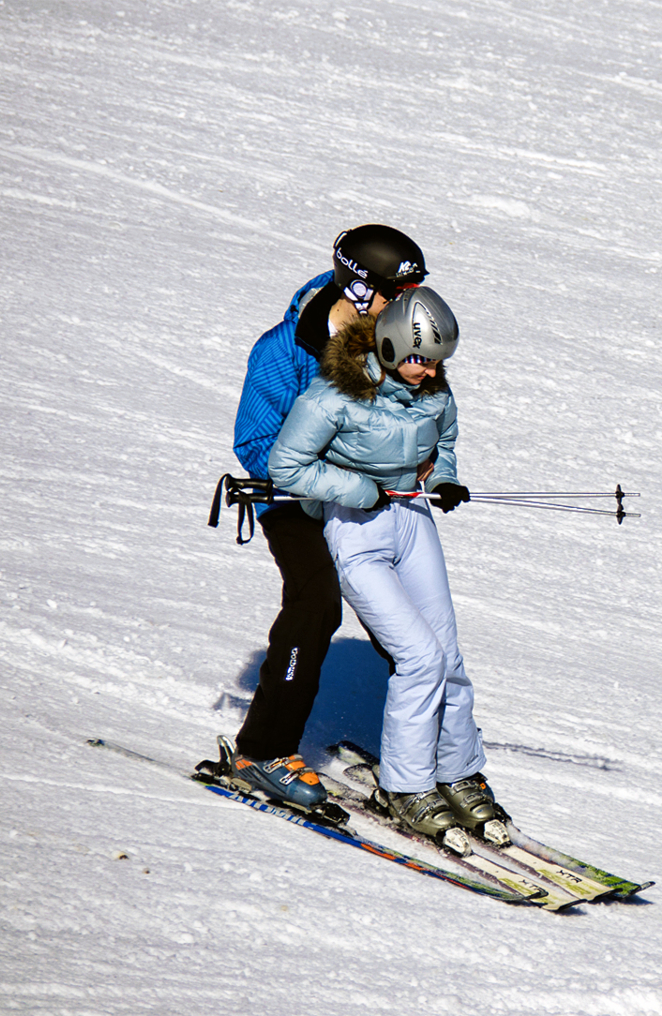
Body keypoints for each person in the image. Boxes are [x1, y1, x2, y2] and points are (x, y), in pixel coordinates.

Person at [266, 287, 496, 846]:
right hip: (356, 526)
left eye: (437, 360)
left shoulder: (433, 392)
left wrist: (442, 481)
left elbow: (443, 442)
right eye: (418, 357)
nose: (428, 370)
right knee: (417, 656)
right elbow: (286, 466)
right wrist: (354, 488)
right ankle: (406, 786)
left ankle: (457, 771)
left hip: (412, 519)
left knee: (447, 654)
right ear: (390, 345)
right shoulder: (332, 397)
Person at [226, 224, 429, 810]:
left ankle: (420, 759)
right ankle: (262, 751)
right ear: (360, 287)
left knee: (411, 616)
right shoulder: (283, 348)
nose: (407, 304)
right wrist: (339, 475)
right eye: (397, 291)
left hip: (367, 498)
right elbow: (256, 443)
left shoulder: (394, 339)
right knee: (316, 604)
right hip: (292, 500)